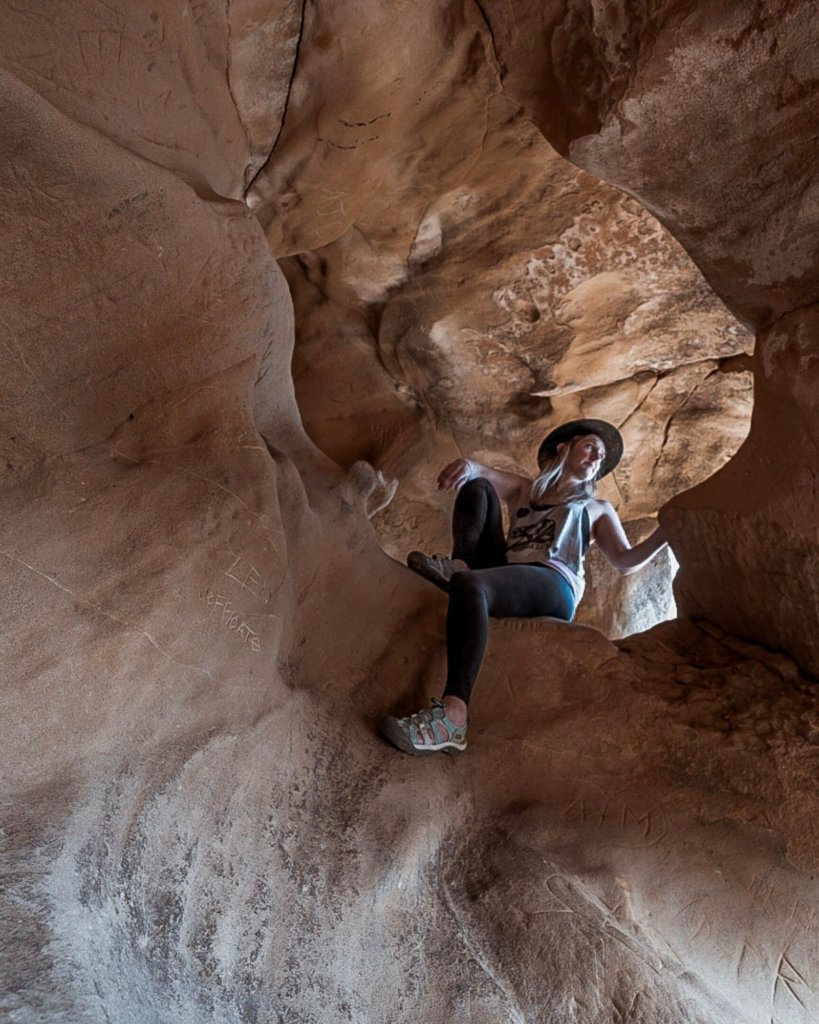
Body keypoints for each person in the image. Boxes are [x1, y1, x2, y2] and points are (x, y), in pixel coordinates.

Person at [379, 419, 668, 756]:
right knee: (479, 488)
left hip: (553, 583)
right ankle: (457, 569)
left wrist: (665, 535)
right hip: (509, 570)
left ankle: (453, 718)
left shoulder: (597, 509)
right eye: (590, 446)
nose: (596, 457)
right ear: (564, 448)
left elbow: (625, 561)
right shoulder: (526, 491)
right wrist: (468, 466)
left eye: (601, 456)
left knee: (471, 585)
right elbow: (481, 474)